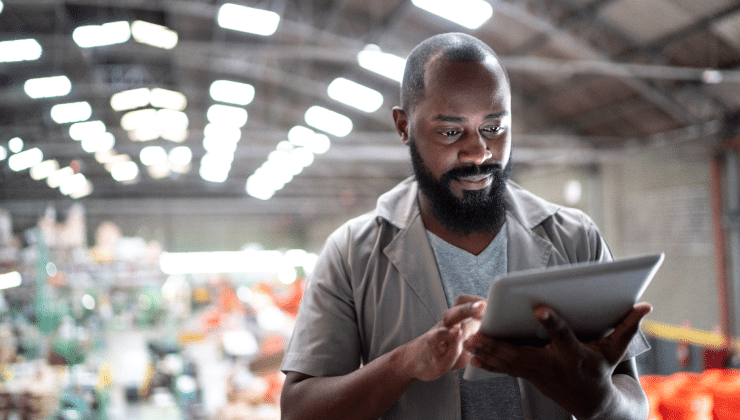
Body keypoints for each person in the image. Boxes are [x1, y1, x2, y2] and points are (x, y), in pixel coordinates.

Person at [280, 32, 652, 420]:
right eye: (450, 131)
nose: (479, 153)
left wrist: (600, 400)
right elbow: (299, 410)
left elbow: (632, 400)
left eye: (494, 128)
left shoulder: (575, 238)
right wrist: (405, 363)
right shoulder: (351, 254)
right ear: (404, 126)